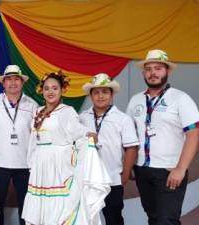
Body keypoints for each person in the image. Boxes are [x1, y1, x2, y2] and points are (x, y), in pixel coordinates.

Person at [22, 71, 111, 225]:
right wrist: (31, 162)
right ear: (41, 90)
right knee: (41, 207)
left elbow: (77, 130)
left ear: (62, 90)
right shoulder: (38, 111)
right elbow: (33, 140)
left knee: (59, 207)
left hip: (58, 167)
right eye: (47, 88)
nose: (50, 92)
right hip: (40, 167)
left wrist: (88, 134)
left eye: (55, 88)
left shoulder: (67, 111)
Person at [126, 49, 199, 225]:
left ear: (168, 71)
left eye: (158, 68)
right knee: (154, 218)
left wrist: (181, 169)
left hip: (170, 170)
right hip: (142, 170)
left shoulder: (181, 99)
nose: (153, 73)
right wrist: (129, 165)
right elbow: (129, 136)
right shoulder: (135, 101)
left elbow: (193, 134)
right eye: (149, 69)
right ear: (144, 73)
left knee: (167, 221)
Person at [80, 73, 139, 225]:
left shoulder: (122, 119)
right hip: (87, 178)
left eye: (105, 92)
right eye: (96, 92)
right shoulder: (82, 118)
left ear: (111, 94)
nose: (100, 96)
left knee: (113, 216)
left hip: (112, 178)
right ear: (91, 95)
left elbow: (131, 148)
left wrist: (125, 174)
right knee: (86, 216)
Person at [0, 65, 38, 225]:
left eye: (16, 79)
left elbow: (37, 135)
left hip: (25, 163)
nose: (12, 83)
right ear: (3, 83)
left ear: (22, 82)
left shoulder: (32, 105)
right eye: (8, 79)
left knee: (26, 204)